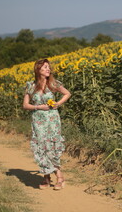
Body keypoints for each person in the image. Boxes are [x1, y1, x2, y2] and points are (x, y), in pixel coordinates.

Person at [23, 59, 71, 190]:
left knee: (52, 148)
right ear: (38, 70)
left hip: (52, 121)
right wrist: (38, 107)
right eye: (45, 68)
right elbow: (25, 105)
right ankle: (46, 177)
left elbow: (67, 93)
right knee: (41, 147)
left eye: (48, 67)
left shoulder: (53, 84)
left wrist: (58, 104)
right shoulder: (31, 86)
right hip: (38, 121)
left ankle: (59, 177)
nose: (48, 69)